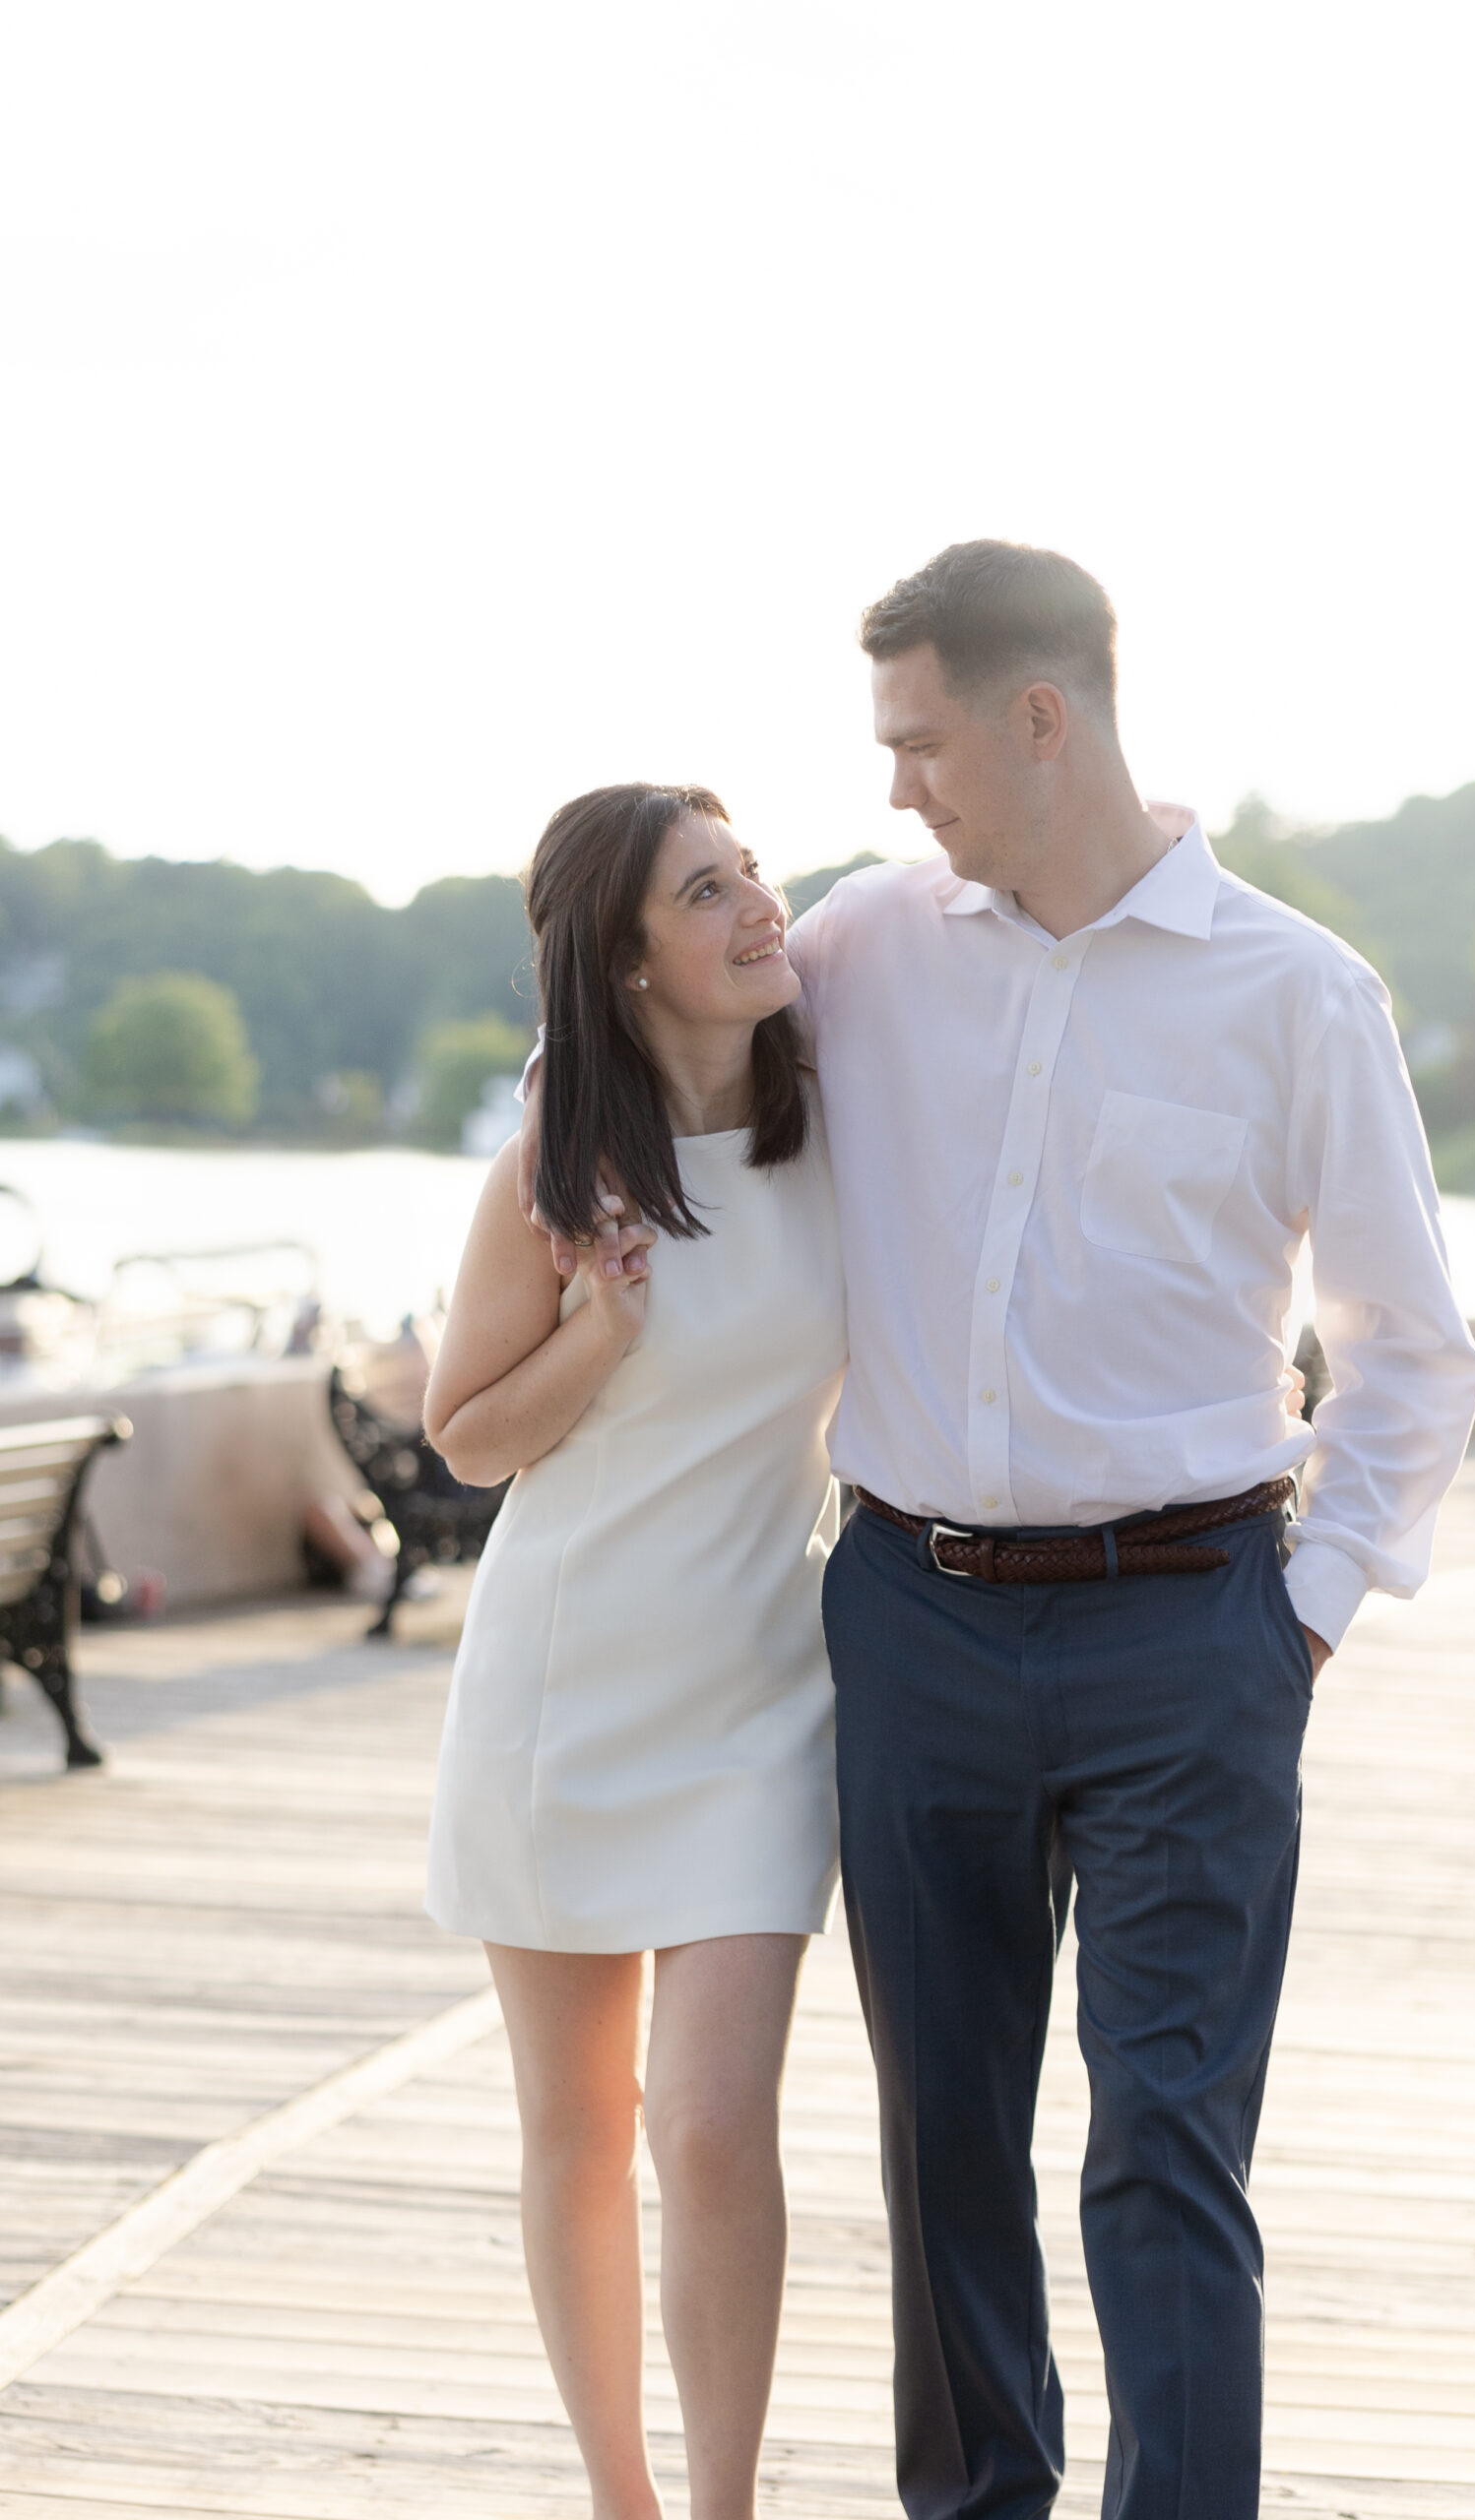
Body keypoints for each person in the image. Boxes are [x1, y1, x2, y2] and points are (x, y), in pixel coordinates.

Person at [522, 542, 1475, 2520]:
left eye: (919, 742)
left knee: (1165, 2141)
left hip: (1192, 1630)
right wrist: (572, 1181)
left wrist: (1291, 1618)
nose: (892, 789)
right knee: (941, 2140)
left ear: (1039, 718)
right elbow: (641, 1032)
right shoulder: (866, 945)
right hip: (915, 1618)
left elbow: (1411, 1352)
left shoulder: (1296, 994)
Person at [424, 781, 847, 2520]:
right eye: (708, 891)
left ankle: (724, 2503)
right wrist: (599, 1324)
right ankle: (624, 2497)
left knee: (713, 2125)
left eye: (753, 871)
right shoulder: (556, 1172)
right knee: (580, 2126)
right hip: (563, 1695)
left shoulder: (841, 1122)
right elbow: (465, 1437)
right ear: (626, 961)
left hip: (763, 1698)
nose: (760, 907)